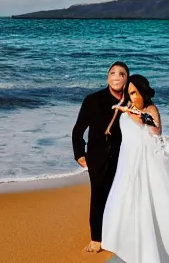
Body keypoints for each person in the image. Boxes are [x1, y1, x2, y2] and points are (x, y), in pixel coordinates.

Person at [101, 75, 169, 263]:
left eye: (135, 93)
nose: (132, 97)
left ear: (143, 92)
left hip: (149, 161)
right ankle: (130, 242)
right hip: (129, 162)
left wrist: (137, 116)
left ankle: (157, 245)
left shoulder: (150, 109)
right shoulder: (126, 110)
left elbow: (156, 132)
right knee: (127, 200)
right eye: (129, 93)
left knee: (155, 200)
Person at [72, 61, 129, 254]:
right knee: (99, 196)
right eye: (113, 73)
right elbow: (78, 130)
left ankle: (117, 233)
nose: (116, 77)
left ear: (127, 79)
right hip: (97, 157)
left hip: (123, 156)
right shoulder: (93, 100)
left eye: (121, 74)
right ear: (107, 77)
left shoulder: (131, 101)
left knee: (120, 196)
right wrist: (79, 153)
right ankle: (96, 238)